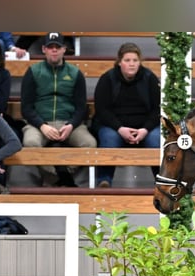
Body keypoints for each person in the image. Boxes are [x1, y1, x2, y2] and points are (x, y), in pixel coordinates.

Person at [20, 33, 97, 187]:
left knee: (90, 144)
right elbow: (26, 107)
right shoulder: (33, 72)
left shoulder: (75, 73)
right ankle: (60, 178)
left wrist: (71, 125)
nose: (54, 50)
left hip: (68, 122)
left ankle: (62, 172)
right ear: (44, 49)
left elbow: (81, 107)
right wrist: (42, 125)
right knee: (30, 143)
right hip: (40, 123)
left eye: (57, 47)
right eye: (50, 47)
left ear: (64, 49)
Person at [92, 42, 160, 187]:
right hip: (115, 126)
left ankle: (162, 182)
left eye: (135, 60)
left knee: (155, 140)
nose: (131, 64)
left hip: (144, 128)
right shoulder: (107, 79)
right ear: (119, 62)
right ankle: (104, 181)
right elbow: (102, 110)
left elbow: (158, 109)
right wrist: (120, 128)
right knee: (109, 138)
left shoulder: (150, 78)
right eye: (127, 60)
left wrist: (145, 129)